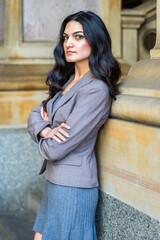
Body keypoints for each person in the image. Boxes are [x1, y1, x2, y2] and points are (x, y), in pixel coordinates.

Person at [28, 10, 121, 240]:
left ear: (95, 41)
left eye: (78, 37)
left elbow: (55, 148)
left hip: (73, 188)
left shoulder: (95, 90)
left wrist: (42, 138)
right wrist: (46, 129)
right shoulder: (68, 81)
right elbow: (34, 114)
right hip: (55, 180)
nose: (69, 43)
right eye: (66, 37)